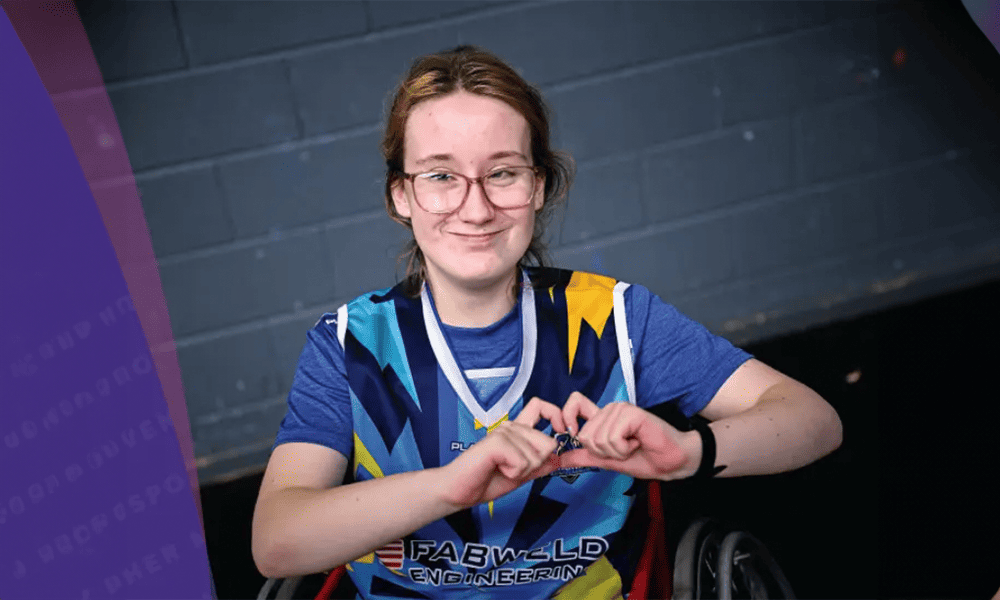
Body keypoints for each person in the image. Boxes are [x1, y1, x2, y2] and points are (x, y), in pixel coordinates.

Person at [252, 45, 843, 599]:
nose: (476, 207)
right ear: (400, 196)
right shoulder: (350, 344)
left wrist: (689, 451)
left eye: (503, 173)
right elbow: (276, 543)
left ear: (538, 186)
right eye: (440, 176)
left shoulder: (617, 318)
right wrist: (450, 487)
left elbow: (814, 422)